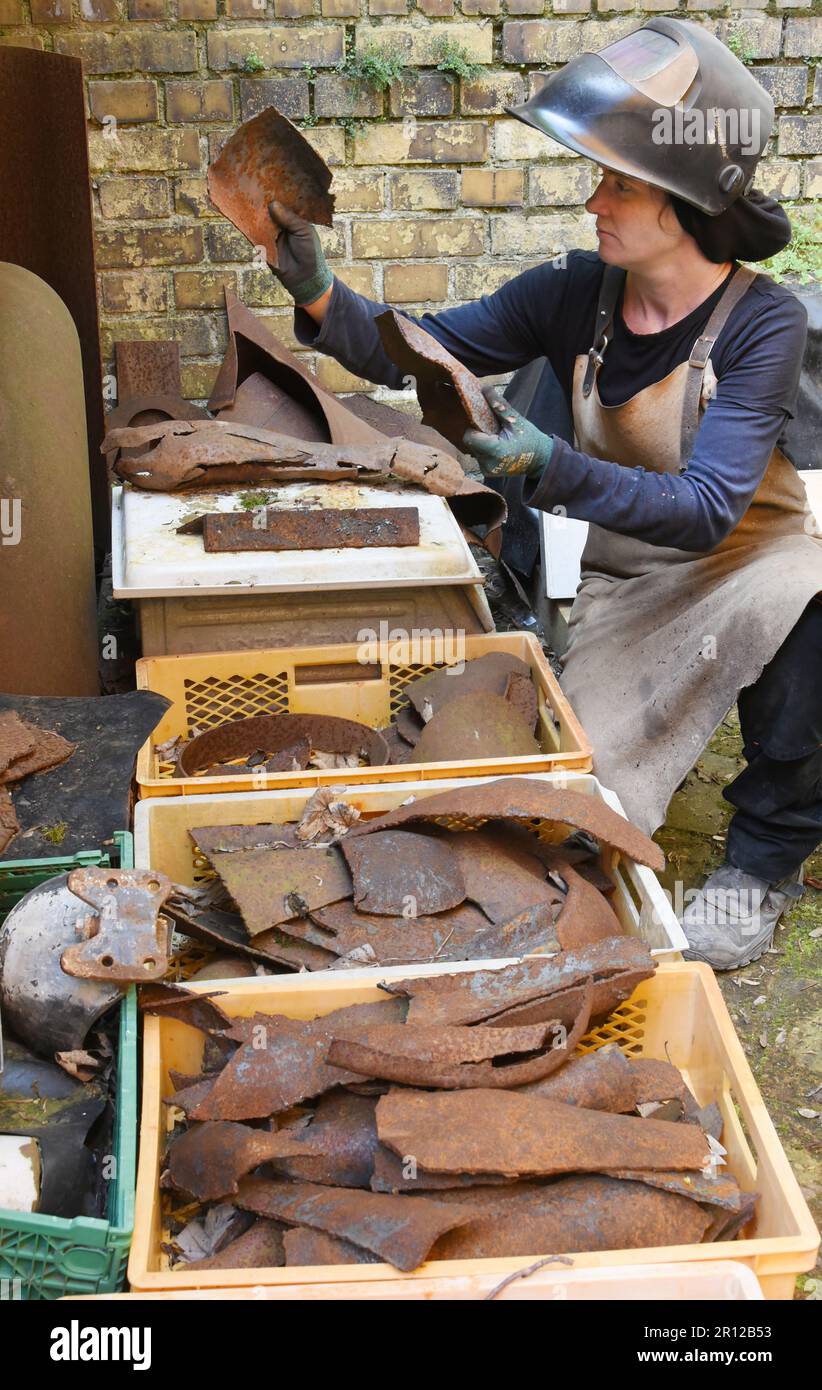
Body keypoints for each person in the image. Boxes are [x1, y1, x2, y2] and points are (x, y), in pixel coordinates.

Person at [264, 17, 822, 971]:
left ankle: (763, 860)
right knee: (572, 806)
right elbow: (409, 349)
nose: (593, 201)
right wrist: (316, 289)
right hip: (628, 583)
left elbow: (706, 510)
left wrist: (548, 468)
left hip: (744, 561)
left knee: (807, 599)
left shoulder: (760, 325)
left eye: (619, 184)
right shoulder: (575, 291)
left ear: (684, 204)